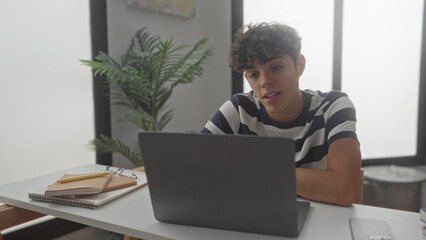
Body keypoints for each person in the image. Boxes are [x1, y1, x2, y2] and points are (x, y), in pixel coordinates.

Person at [200, 22, 361, 206]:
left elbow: (343, 189)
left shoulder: (333, 107)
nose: (265, 82)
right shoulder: (239, 109)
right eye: (254, 74)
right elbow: (194, 168)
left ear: (299, 65)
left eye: (275, 67)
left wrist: (254, 171)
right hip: (256, 219)